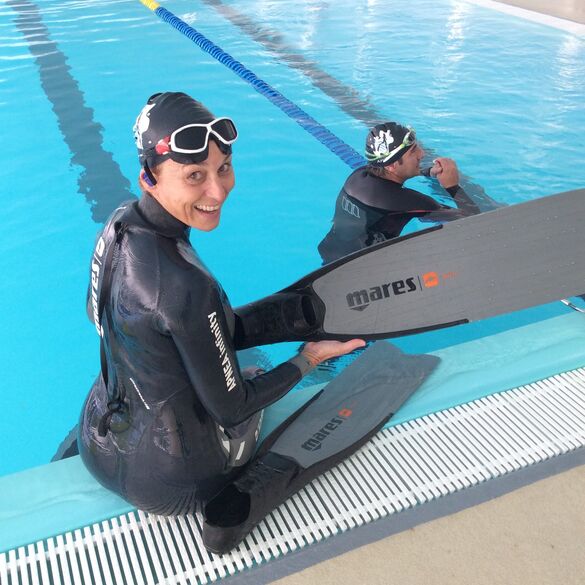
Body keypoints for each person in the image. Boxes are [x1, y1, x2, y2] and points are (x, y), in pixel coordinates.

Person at [78, 91, 364, 515]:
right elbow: (235, 407)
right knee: (255, 375)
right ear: (149, 178)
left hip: (98, 439)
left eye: (224, 168)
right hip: (178, 482)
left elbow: (101, 317)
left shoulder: (119, 223)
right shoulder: (188, 285)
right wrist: (309, 358)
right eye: (195, 175)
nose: (218, 189)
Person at [318, 122, 481, 264]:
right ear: (391, 166)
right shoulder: (407, 202)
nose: (422, 153)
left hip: (331, 254)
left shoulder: (358, 176)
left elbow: (397, 173)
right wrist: (452, 186)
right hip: (365, 269)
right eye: (413, 151)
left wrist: (428, 172)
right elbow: (474, 221)